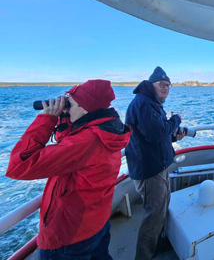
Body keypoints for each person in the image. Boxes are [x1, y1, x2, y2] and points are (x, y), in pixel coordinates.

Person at [6, 79, 132, 260]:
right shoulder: (106, 129)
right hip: (96, 222)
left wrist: (46, 119)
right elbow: (68, 143)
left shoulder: (86, 141)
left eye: (70, 103)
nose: (65, 106)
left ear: (86, 109)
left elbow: (19, 166)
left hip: (69, 235)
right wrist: (67, 115)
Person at [125, 66, 186, 260]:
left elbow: (157, 134)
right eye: (162, 84)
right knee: (153, 215)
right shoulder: (144, 104)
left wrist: (174, 137)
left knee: (161, 209)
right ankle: (143, 256)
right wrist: (175, 119)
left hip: (158, 165)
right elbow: (154, 134)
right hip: (149, 169)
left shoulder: (152, 104)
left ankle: (157, 243)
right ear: (151, 85)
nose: (166, 88)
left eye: (168, 85)